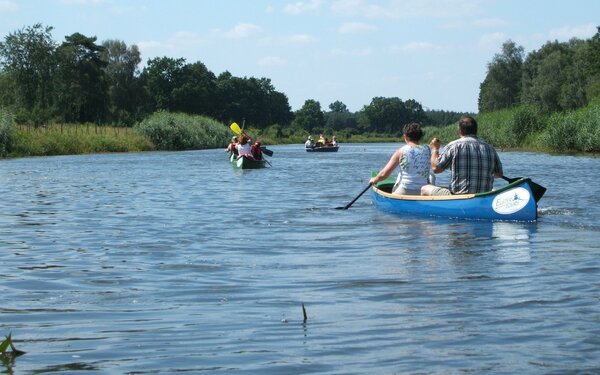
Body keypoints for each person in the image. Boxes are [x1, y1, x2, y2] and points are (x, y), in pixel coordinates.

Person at [421, 116, 503, 196]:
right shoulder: (490, 148)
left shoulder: (453, 146)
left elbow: (436, 169)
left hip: (458, 197)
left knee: (425, 188)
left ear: (459, 130)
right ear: (476, 130)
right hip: (483, 196)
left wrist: (435, 149)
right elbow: (499, 174)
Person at [369, 122, 434, 195]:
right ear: (420, 136)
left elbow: (385, 174)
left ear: (405, 136)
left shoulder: (401, 151)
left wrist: (375, 179)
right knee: (431, 176)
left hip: (405, 190)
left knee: (400, 176)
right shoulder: (427, 149)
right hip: (423, 191)